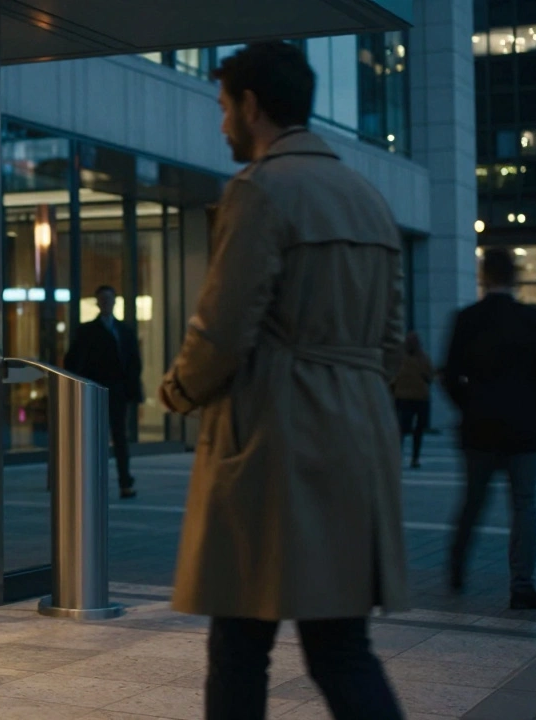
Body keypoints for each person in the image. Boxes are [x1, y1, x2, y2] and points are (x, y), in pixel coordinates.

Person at [157, 42, 407, 719]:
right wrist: (349, 387)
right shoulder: (367, 197)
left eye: (223, 108)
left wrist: (178, 390)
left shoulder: (259, 190)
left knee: (239, 643)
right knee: (341, 646)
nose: (221, 124)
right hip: (357, 433)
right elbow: (391, 341)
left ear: (251, 106)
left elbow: (223, 326)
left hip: (274, 439)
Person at [442, 246, 536, 610]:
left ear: (484, 277)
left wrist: (470, 404)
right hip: (523, 426)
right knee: (524, 505)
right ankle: (522, 585)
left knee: (473, 501)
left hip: (479, 426)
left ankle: (457, 568)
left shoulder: (467, 318)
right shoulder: (531, 319)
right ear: (514, 277)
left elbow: (449, 374)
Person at [64, 286, 144, 498]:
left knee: (119, 437)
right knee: (95, 438)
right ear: (98, 303)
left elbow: (134, 362)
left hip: (117, 390)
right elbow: (73, 360)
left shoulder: (124, 331)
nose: (106, 303)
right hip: (96, 389)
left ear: (115, 301)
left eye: (109, 299)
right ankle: (93, 484)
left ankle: (124, 482)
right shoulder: (87, 331)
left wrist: (130, 388)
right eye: (103, 299)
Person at [393, 331, 434, 468]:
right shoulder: (421, 358)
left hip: (411, 397)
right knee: (407, 430)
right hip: (411, 398)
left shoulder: (402, 358)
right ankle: (411, 458)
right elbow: (430, 377)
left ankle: (407, 458)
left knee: (406, 430)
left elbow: (430, 376)